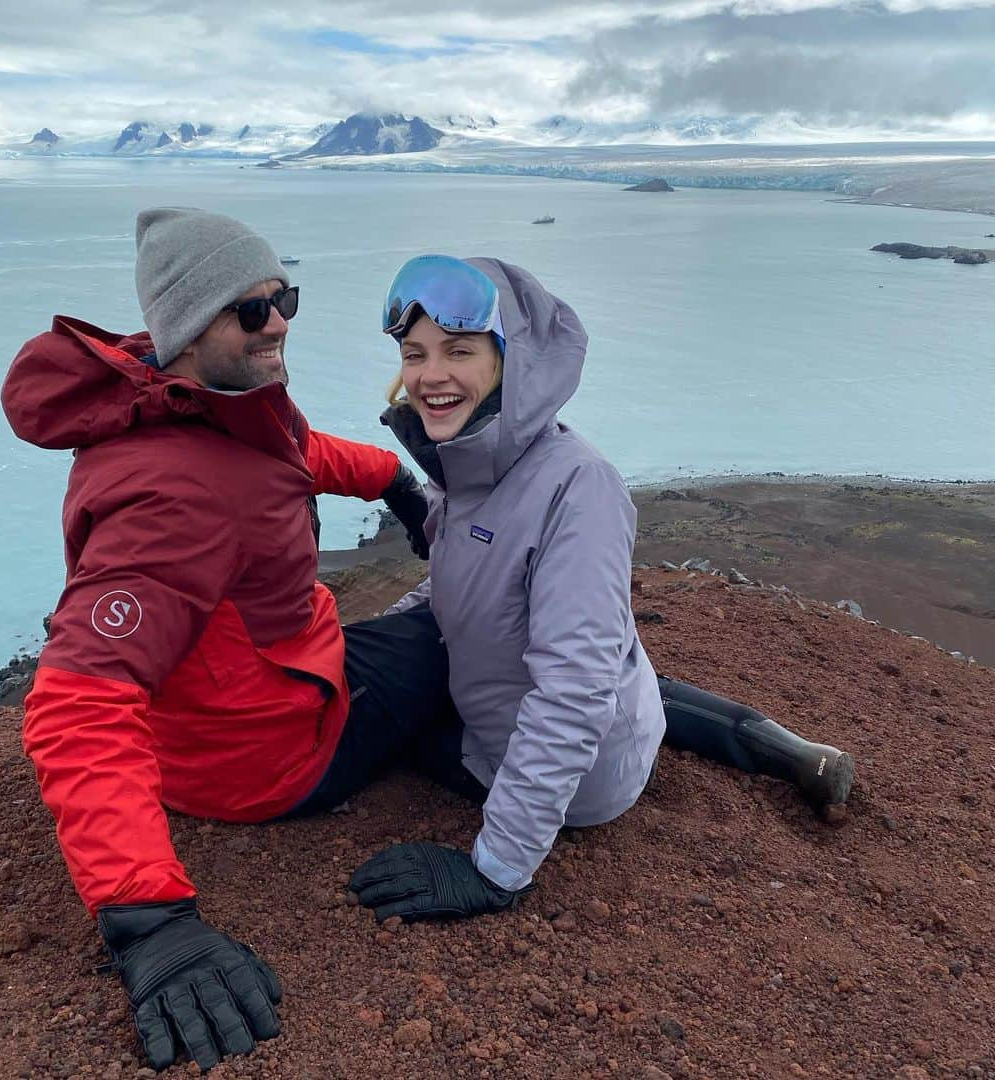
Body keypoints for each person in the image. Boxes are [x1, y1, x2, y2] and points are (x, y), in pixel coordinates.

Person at [0, 209, 457, 1074]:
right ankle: (699, 730)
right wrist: (150, 924)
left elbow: (292, 455)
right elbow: (75, 705)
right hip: (280, 752)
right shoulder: (172, 500)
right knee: (489, 627)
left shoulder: (189, 402)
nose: (278, 320)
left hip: (255, 697)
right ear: (185, 325)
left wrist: (395, 479)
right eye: (250, 310)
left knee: (426, 646)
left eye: (283, 296)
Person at [347, 254, 855, 924]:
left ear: (511, 360)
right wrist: (382, 632)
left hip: (580, 786)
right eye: (415, 354)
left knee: (406, 717)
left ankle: (752, 749)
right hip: (608, 722)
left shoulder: (578, 485)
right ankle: (786, 751)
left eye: (458, 350)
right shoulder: (472, 470)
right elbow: (459, 587)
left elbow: (572, 693)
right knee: (615, 659)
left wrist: (496, 869)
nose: (429, 375)